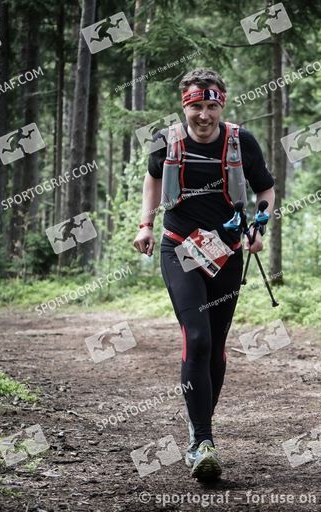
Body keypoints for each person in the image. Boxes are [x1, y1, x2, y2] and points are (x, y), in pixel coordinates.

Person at [133, 68, 275, 481]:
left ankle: (197, 427)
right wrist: (145, 224)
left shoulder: (241, 141)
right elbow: (153, 178)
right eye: (196, 106)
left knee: (215, 346)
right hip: (179, 248)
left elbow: (264, 189)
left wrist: (259, 226)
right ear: (185, 106)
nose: (204, 115)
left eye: (211, 106)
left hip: (227, 253)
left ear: (222, 105)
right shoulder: (167, 140)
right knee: (196, 338)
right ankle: (204, 443)